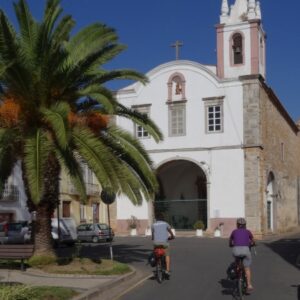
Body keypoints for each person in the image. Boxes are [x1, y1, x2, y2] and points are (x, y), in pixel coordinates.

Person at [229, 217, 255, 293]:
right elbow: (253, 241)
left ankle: (237, 274)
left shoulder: (234, 231)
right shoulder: (248, 232)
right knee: (247, 268)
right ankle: (249, 285)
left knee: (237, 261)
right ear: (245, 225)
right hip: (246, 250)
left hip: (236, 250)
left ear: (237, 225)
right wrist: (253, 244)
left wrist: (231, 245)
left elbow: (230, 241)